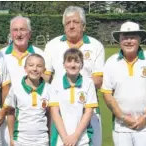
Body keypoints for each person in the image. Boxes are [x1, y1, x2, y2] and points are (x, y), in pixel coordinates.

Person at [44, 6, 104, 146]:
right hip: (59, 110)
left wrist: (77, 89)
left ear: (83, 25)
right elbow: (46, 77)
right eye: (68, 22)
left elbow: (98, 80)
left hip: (88, 108)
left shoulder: (96, 46)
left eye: (76, 22)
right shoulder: (52, 45)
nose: (71, 26)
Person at [101, 21, 146, 146]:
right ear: (119, 40)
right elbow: (107, 94)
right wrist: (123, 118)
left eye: (132, 37)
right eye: (125, 37)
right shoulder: (111, 62)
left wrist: (145, 118)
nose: (128, 41)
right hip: (121, 128)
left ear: (139, 39)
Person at [0, 15, 45, 146]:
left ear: (29, 33)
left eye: (22, 29)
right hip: (8, 120)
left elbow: (46, 88)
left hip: (34, 124)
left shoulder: (41, 55)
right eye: (15, 30)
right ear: (10, 33)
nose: (18, 34)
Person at [49, 49, 98, 146]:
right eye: (69, 61)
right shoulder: (55, 82)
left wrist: (75, 136)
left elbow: (88, 112)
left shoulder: (88, 83)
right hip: (61, 139)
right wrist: (65, 138)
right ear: (64, 64)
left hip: (82, 139)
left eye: (77, 61)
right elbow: (54, 112)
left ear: (82, 65)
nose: (73, 65)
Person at [3, 54, 50, 146]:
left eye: (39, 66)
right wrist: (11, 138)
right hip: (20, 140)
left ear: (44, 70)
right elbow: (10, 113)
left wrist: (50, 137)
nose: (35, 69)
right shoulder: (16, 88)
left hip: (42, 140)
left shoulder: (49, 89)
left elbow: (50, 116)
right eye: (31, 65)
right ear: (25, 68)